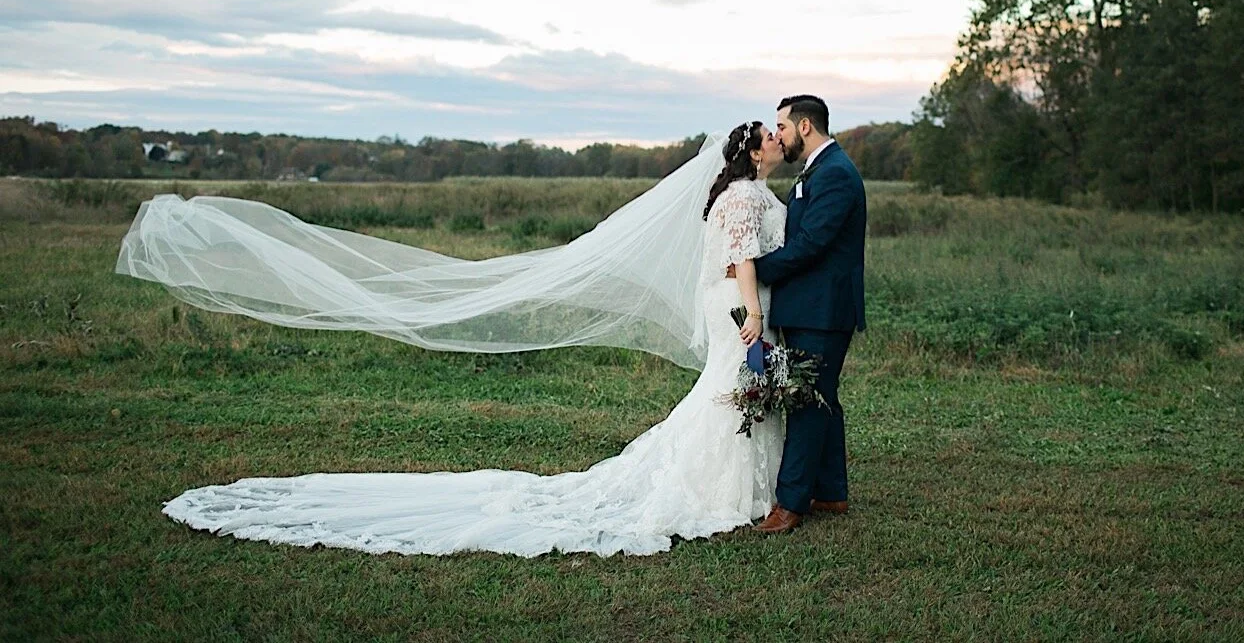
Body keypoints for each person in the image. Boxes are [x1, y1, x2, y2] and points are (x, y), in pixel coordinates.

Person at [119, 121, 791, 556]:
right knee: (727, 395)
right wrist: (752, 314)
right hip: (738, 307)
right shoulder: (739, 199)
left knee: (729, 394)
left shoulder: (746, 191)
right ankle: (729, 491)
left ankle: (749, 489)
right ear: (748, 150)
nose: (775, 136)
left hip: (737, 305)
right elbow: (739, 261)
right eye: (767, 132)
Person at [752, 95, 866, 533]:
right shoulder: (820, 168)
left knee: (805, 401)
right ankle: (832, 491)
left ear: (804, 127)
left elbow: (811, 244)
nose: (776, 135)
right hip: (811, 308)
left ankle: (790, 505)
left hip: (824, 311)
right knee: (823, 399)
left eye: (781, 126)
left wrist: (756, 269)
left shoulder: (836, 173)